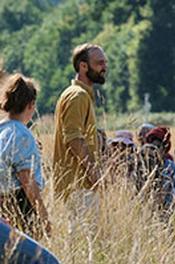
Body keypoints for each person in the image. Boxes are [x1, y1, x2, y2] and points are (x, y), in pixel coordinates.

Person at [53, 43, 107, 200]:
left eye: (105, 62)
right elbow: (74, 139)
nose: (104, 67)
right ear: (83, 66)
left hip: (79, 186)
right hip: (78, 186)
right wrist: (95, 176)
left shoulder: (80, 94)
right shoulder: (78, 96)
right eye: (99, 63)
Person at [0, 74, 50, 237]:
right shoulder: (22, 134)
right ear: (31, 105)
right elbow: (26, 179)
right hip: (20, 205)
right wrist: (44, 217)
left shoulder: (2, 130)